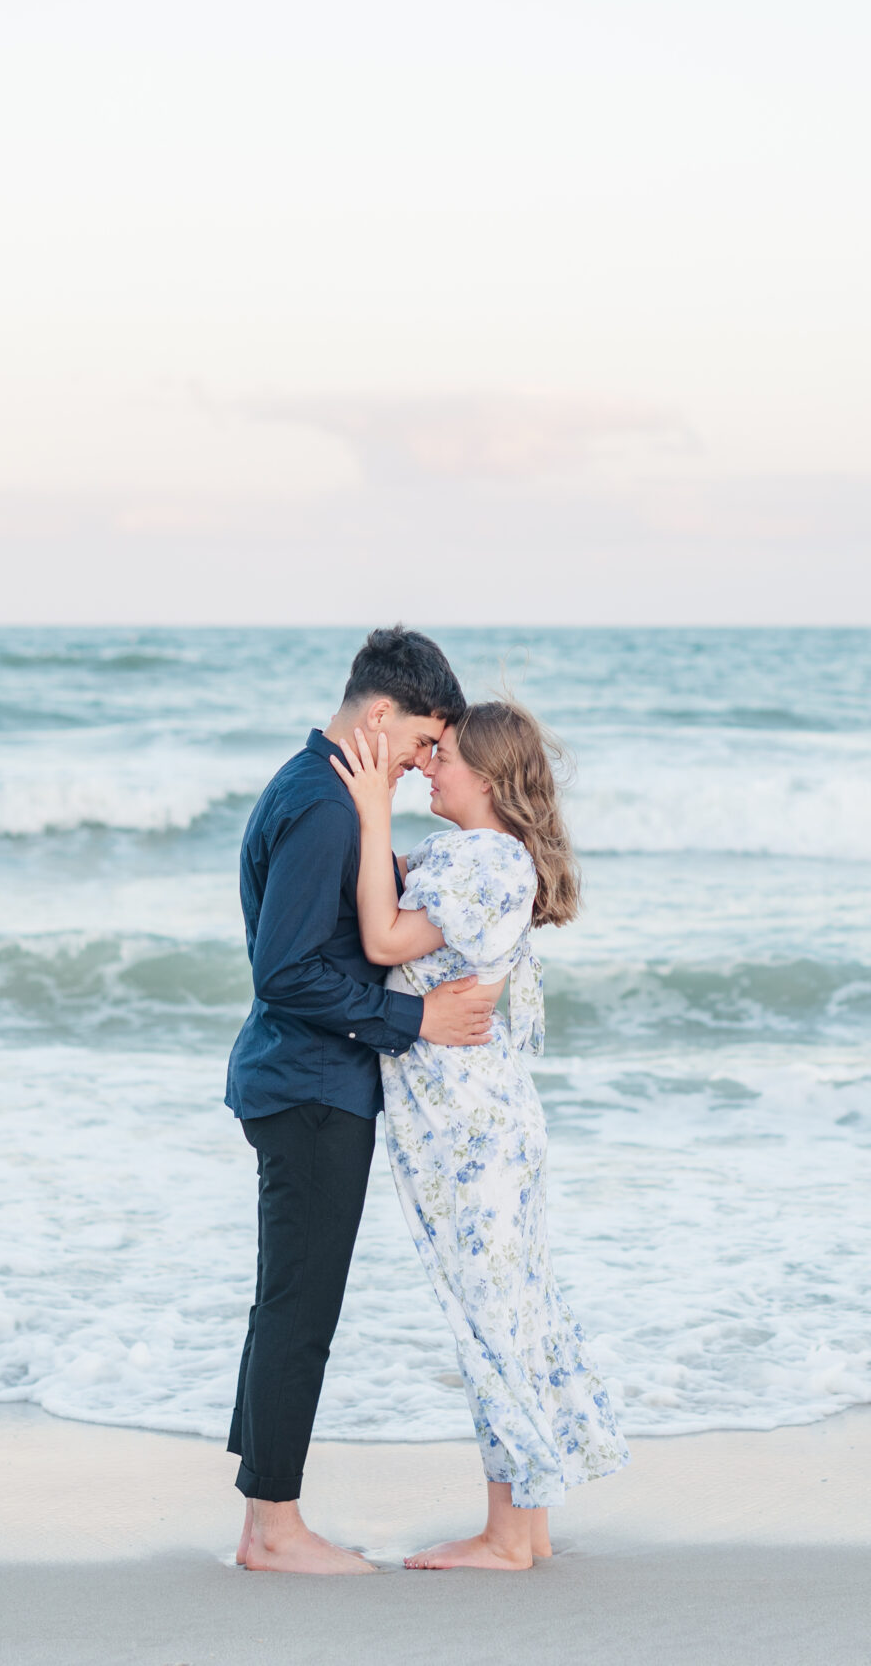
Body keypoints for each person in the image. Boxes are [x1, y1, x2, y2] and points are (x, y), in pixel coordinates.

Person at [223, 626, 501, 1577]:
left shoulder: (331, 792)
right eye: (426, 740)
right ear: (378, 715)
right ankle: (275, 1528)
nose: (431, 760)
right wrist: (412, 1018)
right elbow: (288, 971)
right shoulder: (326, 808)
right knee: (302, 1305)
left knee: (288, 1300)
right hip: (308, 1084)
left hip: (307, 1080)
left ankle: (263, 1518)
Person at [333, 700, 629, 1571]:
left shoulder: (486, 858)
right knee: (512, 1313)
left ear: (490, 780)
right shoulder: (477, 856)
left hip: (467, 1123)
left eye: (446, 755)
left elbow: (385, 937)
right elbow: (391, 897)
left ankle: (505, 1534)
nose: (430, 764)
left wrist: (371, 807)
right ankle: (526, 1527)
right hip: (478, 1115)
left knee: (492, 1319)